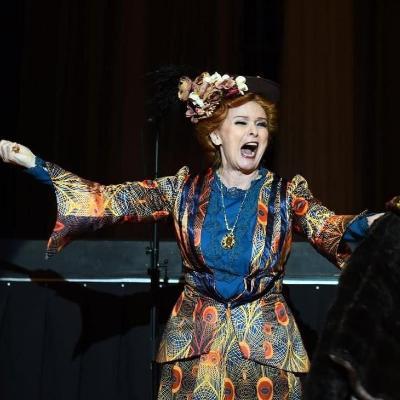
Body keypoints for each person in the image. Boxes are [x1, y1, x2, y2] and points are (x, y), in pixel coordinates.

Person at [0, 71, 382, 399]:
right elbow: (109, 201)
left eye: (261, 124)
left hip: (267, 353)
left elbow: (330, 227)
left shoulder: (286, 194)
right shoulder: (184, 190)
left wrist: (377, 223)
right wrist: (35, 164)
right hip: (195, 354)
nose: (253, 131)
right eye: (241, 122)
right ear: (216, 135)